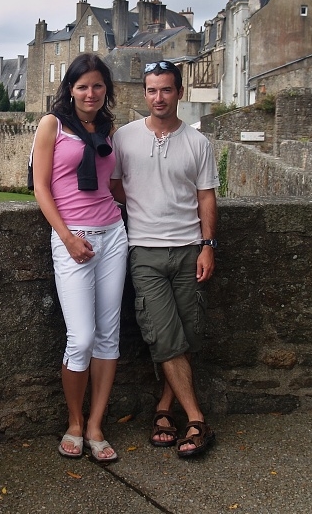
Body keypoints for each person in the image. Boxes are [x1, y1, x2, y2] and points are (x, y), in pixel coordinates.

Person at [110, 60, 219, 458]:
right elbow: (115, 187)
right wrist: (145, 203)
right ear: (144, 93)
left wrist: (208, 245)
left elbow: (206, 196)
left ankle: (163, 409)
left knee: (186, 334)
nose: (159, 98)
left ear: (179, 93)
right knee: (163, 334)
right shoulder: (124, 138)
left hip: (189, 249)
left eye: (166, 89)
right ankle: (197, 418)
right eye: (152, 90)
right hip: (144, 250)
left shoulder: (198, 142)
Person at [32, 53, 128, 462]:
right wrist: (67, 237)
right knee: (82, 337)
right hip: (74, 237)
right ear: (70, 89)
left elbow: (116, 185)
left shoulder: (109, 129)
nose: (91, 93)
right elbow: (41, 187)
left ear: (107, 89)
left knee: (108, 336)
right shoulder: (52, 125)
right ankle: (74, 422)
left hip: (113, 234)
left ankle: (95, 425)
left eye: (98, 85)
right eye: (83, 85)